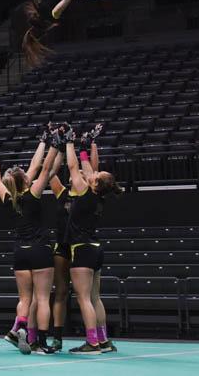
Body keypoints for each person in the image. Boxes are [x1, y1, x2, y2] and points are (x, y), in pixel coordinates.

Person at [0, 130, 59, 354]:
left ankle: (19, 325)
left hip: (20, 252)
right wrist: (55, 146)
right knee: (43, 299)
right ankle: (40, 343)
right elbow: (45, 169)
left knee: (25, 298)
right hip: (40, 250)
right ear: (25, 180)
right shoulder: (34, 193)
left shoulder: (8, 196)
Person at [63, 123, 121, 354]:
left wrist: (69, 142)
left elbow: (73, 166)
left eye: (97, 175)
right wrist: (87, 145)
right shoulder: (98, 195)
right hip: (96, 248)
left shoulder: (86, 193)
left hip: (83, 249)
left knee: (84, 299)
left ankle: (92, 342)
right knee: (96, 298)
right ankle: (104, 340)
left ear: (96, 183)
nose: (94, 172)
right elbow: (87, 167)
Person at [47, 124, 101, 351]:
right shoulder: (61, 191)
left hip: (79, 247)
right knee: (59, 292)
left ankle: (96, 338)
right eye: (75, 171)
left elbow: (92, 169)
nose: (78, 172)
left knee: (87, 295)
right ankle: (57, 336)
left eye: (81, 172)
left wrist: (89, 146)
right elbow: (49, 174)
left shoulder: (87, 192)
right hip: (63, 245)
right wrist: (57, 146)